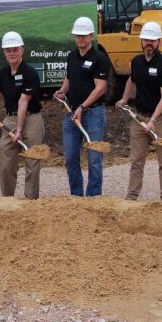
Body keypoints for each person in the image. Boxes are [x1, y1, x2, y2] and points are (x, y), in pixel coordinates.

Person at [115, 21, 162, 201]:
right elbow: (131, 80)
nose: (148, 43)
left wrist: (153, 121)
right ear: (141, 41)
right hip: (139, 118)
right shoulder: (137, 62)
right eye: (146, 40)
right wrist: (124, 99)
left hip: (161, 120)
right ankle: (131, 198)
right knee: (136, 162)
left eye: (152, 40)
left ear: (159, 41)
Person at [0, 31, 45, 199]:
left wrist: (18, 130)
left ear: (21, 51)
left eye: (15, 50)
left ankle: (30, 201)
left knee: (32, 162)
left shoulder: (30, 73)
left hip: (31, 120)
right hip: (10, 118)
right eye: (8, 50)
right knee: (6, 163)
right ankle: (8, 200)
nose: (12, 53)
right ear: (4, 52)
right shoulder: (3, 72)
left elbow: (23, 102)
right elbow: (1, 90)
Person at [55, 16, 109, 196]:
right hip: (72, 114)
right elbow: (69, 78)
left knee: (94, 159)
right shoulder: (72, 56)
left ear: (91, 36)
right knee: (70, 158)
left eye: (84, 36)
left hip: (92, 114)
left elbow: (100, 88)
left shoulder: (99, 58)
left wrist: (83, 107)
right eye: (77, 35)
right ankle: (76, 197)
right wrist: (63, 90)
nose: (80, 39)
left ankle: (93, 198)